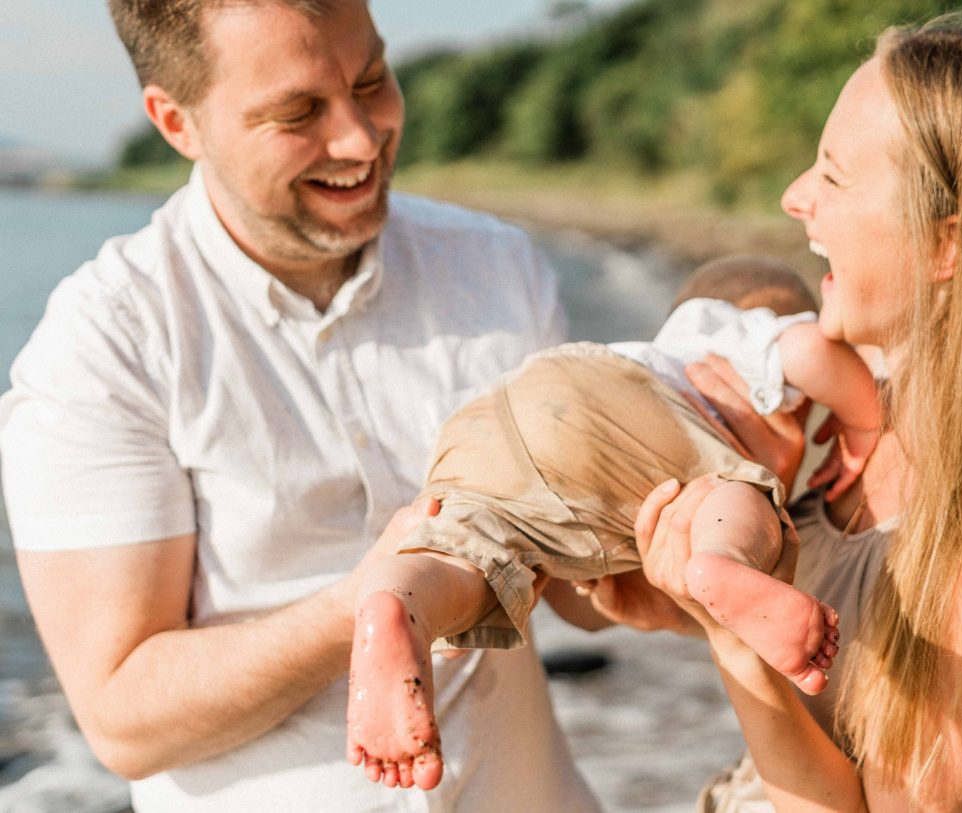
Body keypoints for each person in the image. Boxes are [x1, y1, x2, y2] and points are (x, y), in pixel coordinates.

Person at [0, 1, 602, 810]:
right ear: (177, 122)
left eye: (372, 80)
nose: (360, 138)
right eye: (298, 113)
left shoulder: (500, 268)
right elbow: (123, 718)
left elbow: (582, 594)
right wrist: (378, 601)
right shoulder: (102, 346)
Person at [592, 18, 962, 812]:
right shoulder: (844, 418)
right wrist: (683, 600)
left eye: (834, 177)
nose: (794, 197)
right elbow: (837, 670)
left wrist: (733, 643)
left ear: (948, 245)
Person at [345, 255, 877, 789]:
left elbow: (588, 603)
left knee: (463, 556)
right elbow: (808, 349)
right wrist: (864, 419)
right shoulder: (740, 340)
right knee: (735, 492)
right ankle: (723, 561)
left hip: (499, 414)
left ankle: (400, 606)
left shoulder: (661, 346)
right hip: (619, 411)